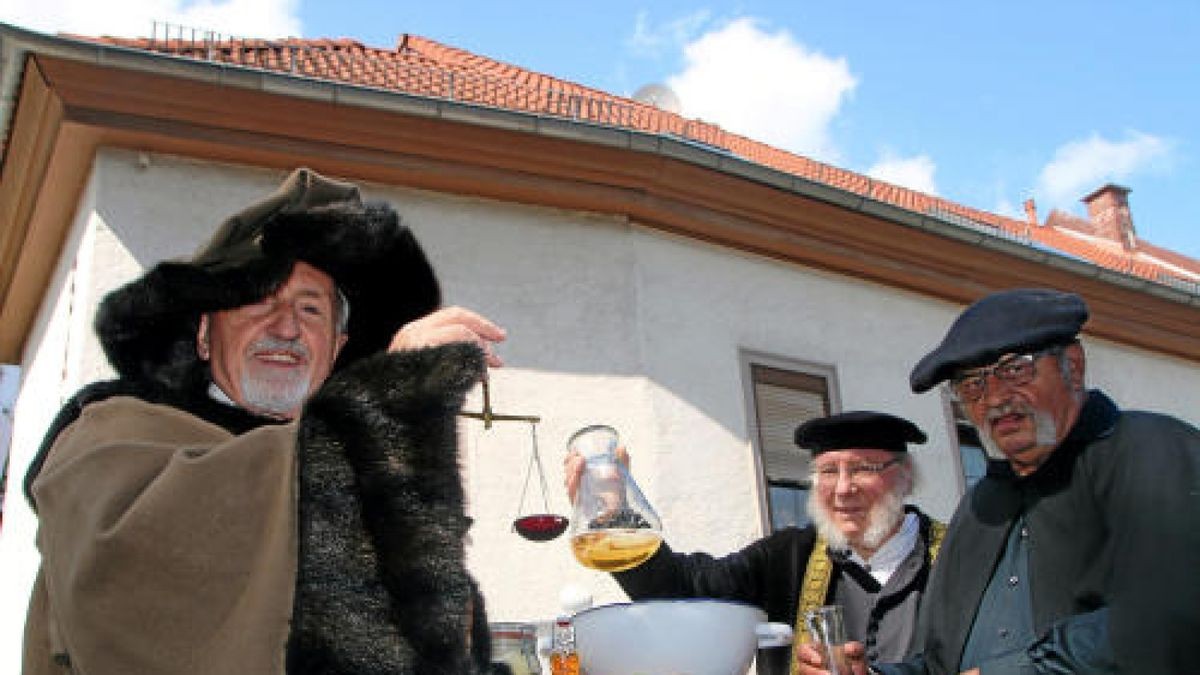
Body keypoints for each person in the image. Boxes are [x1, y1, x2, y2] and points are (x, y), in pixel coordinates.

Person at [21, 168, 511, 674]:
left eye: (310, 308)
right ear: (205, 336)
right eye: (259, 302)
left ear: (336, 348)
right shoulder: (112, 435)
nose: (286, 327)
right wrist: (377, 413)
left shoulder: (358, 463)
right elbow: (137, 579)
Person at [797, 288, 1200, 675]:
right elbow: (937, 662)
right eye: (972, 385)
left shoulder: (1153, 450)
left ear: (1072, 367)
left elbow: (1172, 614)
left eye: (1014, 370)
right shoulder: (979, 508)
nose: (993, 399)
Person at [566, 411, 946, 673]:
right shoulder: (787, 556)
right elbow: (683, 587)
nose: (843, 490)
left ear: (905, 477)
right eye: (829, 471)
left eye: (863, 468)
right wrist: (616, 513)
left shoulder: (959, 555)